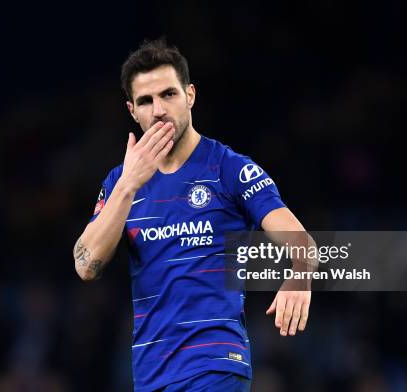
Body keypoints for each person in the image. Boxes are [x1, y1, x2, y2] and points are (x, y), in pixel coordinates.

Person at [74, 38, 311, 392]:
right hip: (150, 373)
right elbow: (86, 265)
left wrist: (299, 277)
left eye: (168, 94)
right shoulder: (120, 182)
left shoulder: (229, 169)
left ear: (190, 95)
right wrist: (127, 187)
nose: (158, 110)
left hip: (214, 365)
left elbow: (302, 242)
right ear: (131, 111)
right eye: (145, 101)